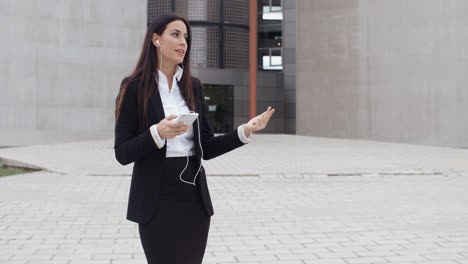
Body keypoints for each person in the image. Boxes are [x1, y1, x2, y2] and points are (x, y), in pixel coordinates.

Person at [114, 13, 275, 264]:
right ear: (156, 39)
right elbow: (122, 153)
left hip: (192, 198)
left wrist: (245, 130)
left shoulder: (193, 86)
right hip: (155, 199)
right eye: (175, 35)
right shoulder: (134, 87)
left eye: (186, 37)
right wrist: (157, 133)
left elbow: (207, 146)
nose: (183, 43)